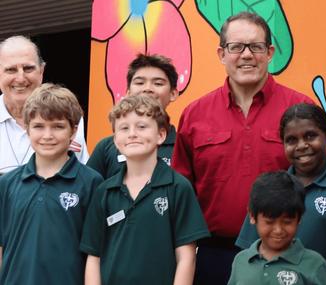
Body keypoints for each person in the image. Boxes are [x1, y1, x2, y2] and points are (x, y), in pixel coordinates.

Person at [172, 11, 314, 284]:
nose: (246, 55)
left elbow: (319, 179)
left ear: (270, 52)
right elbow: (182, 191)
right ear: (221, 54)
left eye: (256, 47)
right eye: (236, 47)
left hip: (285, 254)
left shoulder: (301, 110)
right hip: (213, 256)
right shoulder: (195, 114)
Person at [81, 95, 209, 285]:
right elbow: (94, 256)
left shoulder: (178, 187)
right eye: (124, 128)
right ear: (115, 139)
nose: (132, 134)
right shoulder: (104, 192)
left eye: (142, 126)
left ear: (161, 135)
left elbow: (186, 257)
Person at [0, 84, 102, 284]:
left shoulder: (92, 183)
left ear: (73, 131)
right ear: (27, 129)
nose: (47, 135)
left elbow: (95, 253)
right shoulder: (7, 183)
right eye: (39, 126)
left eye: (57, 126)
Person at [236, 103, 326, 282]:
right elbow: (247, 254)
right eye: (291, 140)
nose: (302, 145)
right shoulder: (270, 188)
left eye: (310, 136)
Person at [0, 35, 88, 173]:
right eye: (11, 70)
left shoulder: (66, 113)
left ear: (41, 71)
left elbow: (81, 174)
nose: (21, 78)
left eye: (28, 68)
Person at [229, 171, 326, 285]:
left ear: (299, 218)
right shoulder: (241, 261)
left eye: (287, 222)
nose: (278, 230)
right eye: (269, 222)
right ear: (252, 216)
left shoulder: (314, 264)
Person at [87, 54, 179, 178]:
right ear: (128, 93)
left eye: (158, 83)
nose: (147, 89)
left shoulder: (182, 146)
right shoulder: (106, 147)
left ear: (173, 94)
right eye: (140, 82)